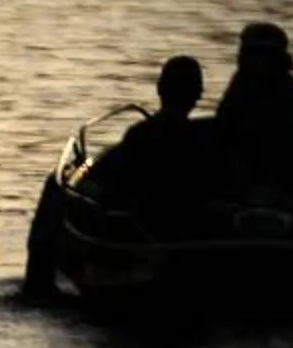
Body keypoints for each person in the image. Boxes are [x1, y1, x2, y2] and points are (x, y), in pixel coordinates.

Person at [86, 54, 217, 227]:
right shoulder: (205, 139)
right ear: (197, 95)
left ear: (159, 89)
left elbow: (107, 178)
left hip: (147, 225)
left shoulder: (139, 135)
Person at [214, 22, 293, 195]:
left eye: (265, 56)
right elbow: (222, 135)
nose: (259, 63)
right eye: (254, 55)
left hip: (287, 184)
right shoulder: (238, 89)